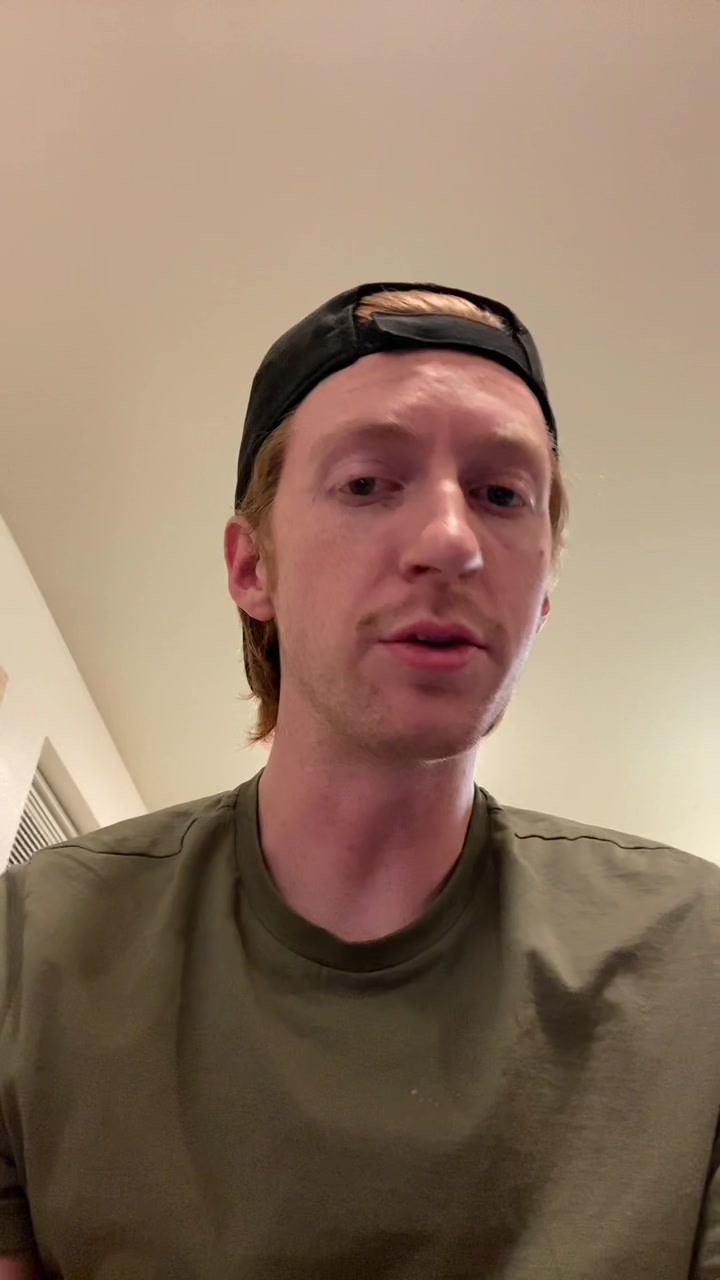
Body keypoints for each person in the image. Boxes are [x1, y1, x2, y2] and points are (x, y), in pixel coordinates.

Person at [0, 281, 718, 1280]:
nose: (452, 541)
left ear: (545, 590)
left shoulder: (698, 967)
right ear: (252, 568)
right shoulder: (27, 953)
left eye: (503, 495)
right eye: (369, 482)